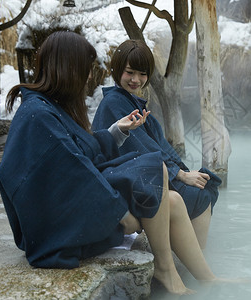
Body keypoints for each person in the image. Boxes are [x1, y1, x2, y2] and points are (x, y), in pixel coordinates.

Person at [0, 31, 220, 295]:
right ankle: (168, 271)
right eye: (86, 69)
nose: (89, 77)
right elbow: (71, 170)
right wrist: (119, 213)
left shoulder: (48, 107)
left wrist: (116, 132)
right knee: (154, 169)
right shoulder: (37, 115)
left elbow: (79, 153)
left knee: (169, 195)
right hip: (55, 225)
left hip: (72, 202)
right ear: (68, 69)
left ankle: (202, 277)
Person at [92, 39, 221, 249]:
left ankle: (191, 258)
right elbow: (140, 149)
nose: (136, 79)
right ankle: (192, 262)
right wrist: (179, 175)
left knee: (204, 183)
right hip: (124, 183)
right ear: (117, 70)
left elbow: (161, 145)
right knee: (199, 197)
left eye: (142, 74)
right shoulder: (114, 103)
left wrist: (183, 171)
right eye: (130, 72)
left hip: (143, 174)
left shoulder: (133, 102)